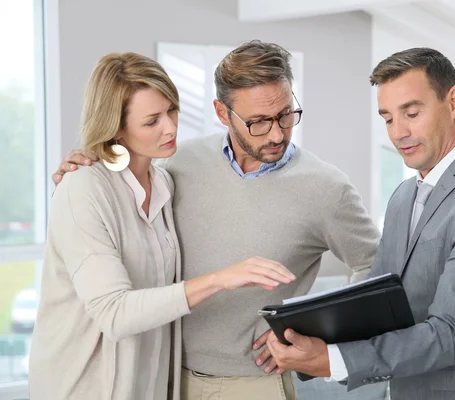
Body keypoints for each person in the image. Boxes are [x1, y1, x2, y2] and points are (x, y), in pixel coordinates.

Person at [51, 41, 381, 400]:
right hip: (166, 378)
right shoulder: (178, 166)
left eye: (286, 115)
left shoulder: (327, 188)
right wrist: (88, 164)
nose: (275, 133)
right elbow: (123, 185)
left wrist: (314, 334)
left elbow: (375, 265)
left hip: (253, 384)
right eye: (257, 122)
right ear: (222, 113)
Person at [265, 47, 455, 400]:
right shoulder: (403, 196)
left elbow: (450, 333)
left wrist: (333, 359)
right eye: (388, 118)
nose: (398, 132)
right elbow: (378, 304)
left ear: (453, 102)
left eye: (411, 112)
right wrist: (304, 335)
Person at [31, 52, 296, 400]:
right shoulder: (83, 188)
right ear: (117, 128)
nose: (170, 127)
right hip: (80, 388)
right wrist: (220, 279)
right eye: (151, 120)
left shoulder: (164, 184)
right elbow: (114, 313)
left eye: (171, 110)